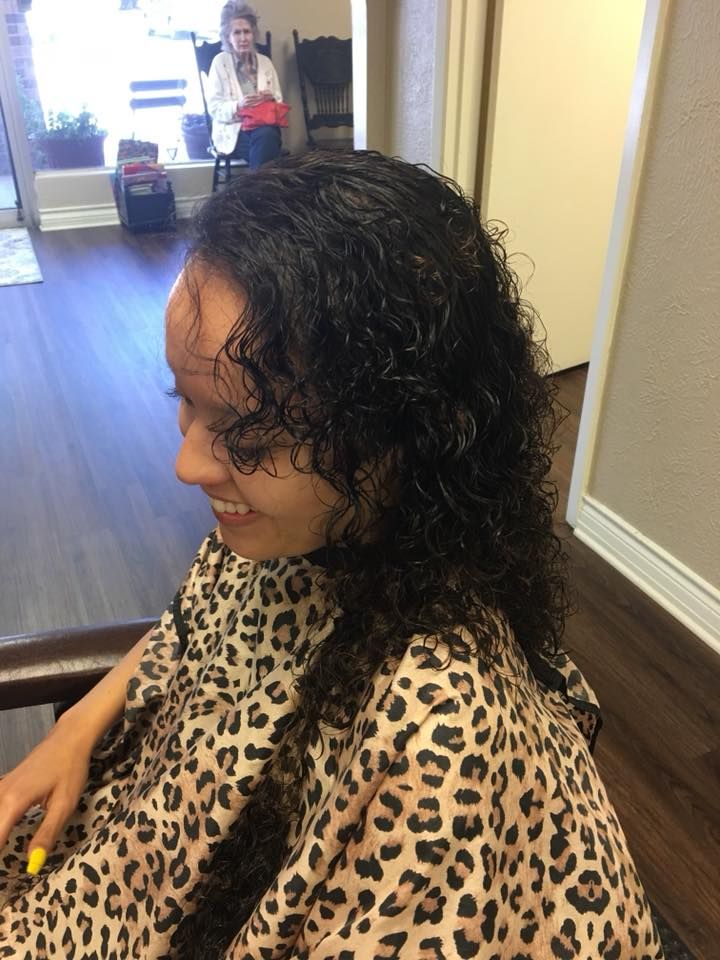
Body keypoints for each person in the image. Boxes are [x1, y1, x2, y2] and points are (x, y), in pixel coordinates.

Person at [0, 151, 664, 959]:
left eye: (248, 432)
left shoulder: (433, 744)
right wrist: (76, 731)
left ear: (405, 431)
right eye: (187, 403)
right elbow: (192, 623)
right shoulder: (307, 528)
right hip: (135, 854)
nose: (187, 464)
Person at [207, 2, 283, 170]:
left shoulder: (265, 63)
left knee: (266, 136)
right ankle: (266, 190)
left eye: (247, 31)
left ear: (253, 34)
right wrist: (239, 105)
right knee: (268, 146)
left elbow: (279, 100)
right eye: (237, 32)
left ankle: (256, 191)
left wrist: (270, 98)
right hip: (234, 130)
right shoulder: (220, 62)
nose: (243, 38)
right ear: (228, 36)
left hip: (265, 125)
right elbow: (214, 108)